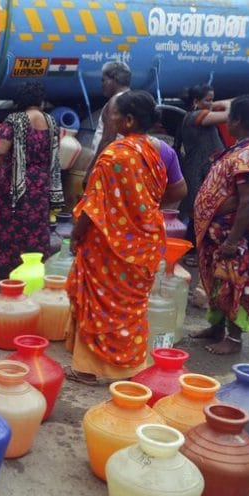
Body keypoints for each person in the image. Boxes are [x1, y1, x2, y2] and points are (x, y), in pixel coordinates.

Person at [65, 91, 187, 384]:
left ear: (129, 120)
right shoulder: (155, 152)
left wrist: (75, 235)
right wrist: (144, 209)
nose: (108, 119)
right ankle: (130, 368)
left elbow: (93, 209)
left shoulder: (113, 156)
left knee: (101, 307)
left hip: (108, 247)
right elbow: (175, 191)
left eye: (112, 115)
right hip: (144, 244)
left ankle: (89, 368)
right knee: (130, 310)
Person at [192, 95, 249, 355]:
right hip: (218, 233)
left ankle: (234, 338)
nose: (226, 123)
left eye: (229, 118)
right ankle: (216, 327)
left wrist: (232, 241)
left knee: (234, 284)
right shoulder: (246, 148)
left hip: (233, 236)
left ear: (238, 121)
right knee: (217, 282)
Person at [0, 82, 61, 279]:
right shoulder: (51, 122)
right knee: (36, 226)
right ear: (40, 101)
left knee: (11, 226)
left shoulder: (14, 120)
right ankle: (33, 273)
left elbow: (0, 152)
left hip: (16, 185)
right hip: (41, 184)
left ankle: (8, 273)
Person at [177, 84, 232, 246]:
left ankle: (195, 246)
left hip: (201, 169)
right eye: (208, 100)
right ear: (196, 101)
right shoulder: (197, 116)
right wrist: (223, 105)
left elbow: (234, 101)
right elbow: (230, 115)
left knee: (200, 209)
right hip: (198, 170)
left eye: (212, 100)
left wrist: (214, 103)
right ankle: (193, 248)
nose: (211, 103)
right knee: (197, 211)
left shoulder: (197, 113)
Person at [84, 61, 132, 178]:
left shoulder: (115, 102)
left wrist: (92, 170)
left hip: (111, 163)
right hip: (126, 161)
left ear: (114, 79)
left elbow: (108, 139)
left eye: (104, 80)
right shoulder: (133, 98)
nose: (102, 84)